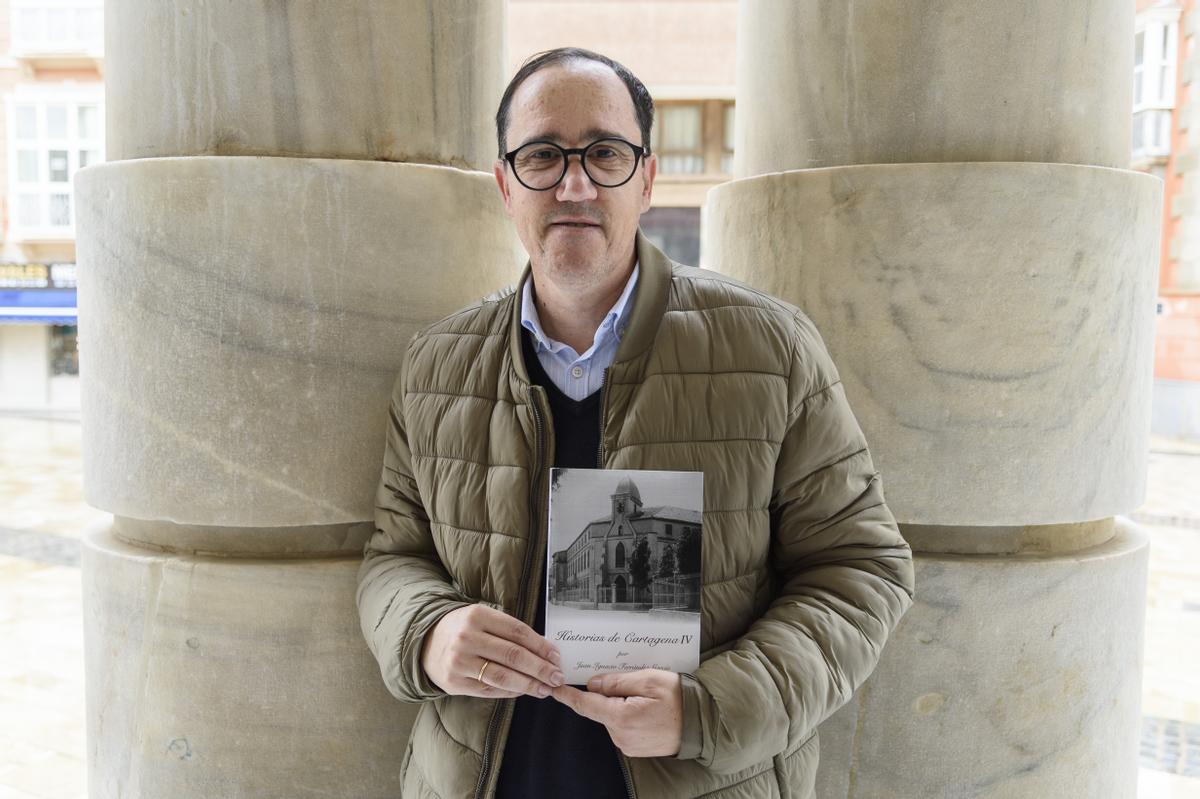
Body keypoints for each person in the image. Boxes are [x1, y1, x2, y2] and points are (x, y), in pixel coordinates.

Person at [356, 46, 916, 799]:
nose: (575, 182)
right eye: (543, 155)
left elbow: (861, 571)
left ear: (646, 178)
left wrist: (709, 709)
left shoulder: (771, 349)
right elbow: (394, 554)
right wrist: (425, 633)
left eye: (606, 153)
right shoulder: (434, 365)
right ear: (504, 184)